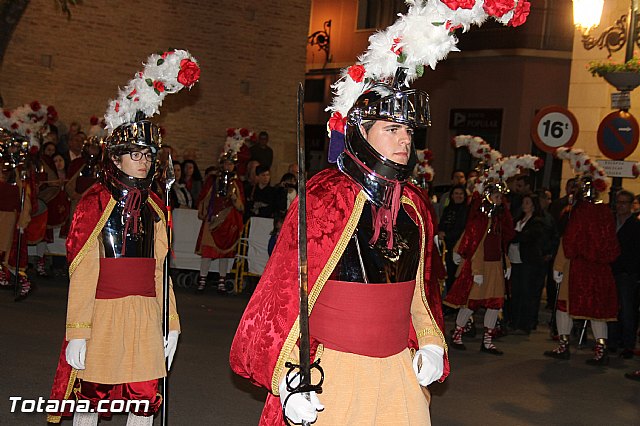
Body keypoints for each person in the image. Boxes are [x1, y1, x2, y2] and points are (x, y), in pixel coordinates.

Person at [230, 69, 448, 425]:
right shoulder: (325, 196)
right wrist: (289, 377)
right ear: (360, 132)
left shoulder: (415, 205)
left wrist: (430, 341)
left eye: (409, 130)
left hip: (397, 371)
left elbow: (421, 290)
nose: (405, 139)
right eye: (392, 129)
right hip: (336, 370)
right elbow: (285, 292)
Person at [47, 48, 199, 425]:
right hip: (104, 312)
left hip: (147, 313)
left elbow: (161, 270)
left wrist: (172, 321)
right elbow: (82, 271)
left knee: (144, 398)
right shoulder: (95, 201)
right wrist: (77, 330)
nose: (144, 161)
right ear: (115, 157)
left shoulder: (154, 206)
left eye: (148, 154)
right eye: (134, 154)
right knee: (93, 398)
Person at [544, 153, 619, 365]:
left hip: (576, 266)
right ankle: (601, 349)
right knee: (597, 311)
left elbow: (569, 240)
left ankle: (564, 345)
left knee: (564, 306)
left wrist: (558, 266)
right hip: (600, 269)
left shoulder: (578, 211)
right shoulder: (605, 212)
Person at [444, 183, 515, 355]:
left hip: (495, 267)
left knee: (495, 304)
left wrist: (506, 263)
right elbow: (475, 247)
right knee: (470, 303)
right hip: (480, 267)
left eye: (501, 197)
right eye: (497, 197)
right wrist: (477, 271)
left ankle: (488, 341)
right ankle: (457, 335)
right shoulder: (480, 220)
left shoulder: (498, 220)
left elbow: (500, 244)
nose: (500, 200)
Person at [195, 155, 244, 293]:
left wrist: (234, 198)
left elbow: (241, 205)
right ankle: (202, 280)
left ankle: (221, 281)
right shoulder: (213, 180)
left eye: (231, 164)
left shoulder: (237, 182)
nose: (228, 167)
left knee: (225, 252)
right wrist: (204, 210)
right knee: (207, 251)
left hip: (228, 220)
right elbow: (204, 196)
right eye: (226, 164)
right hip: (212, 219)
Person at [507, 193, 548, 335]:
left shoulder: (537, 221)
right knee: (516, 291)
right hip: (515, 259)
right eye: (523, 202)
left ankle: (526, 323)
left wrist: (515, 236)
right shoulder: (518, 218)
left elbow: (528, 237)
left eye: (527, 203)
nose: (524, 205)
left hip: (528, 261)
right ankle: (514, 320)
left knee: (526, 292)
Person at [608, 190, 640, 359]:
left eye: (624, 203)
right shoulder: (611, 223)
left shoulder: (635, 226)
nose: (620, 206)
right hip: (612, 270)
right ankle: (612, 341)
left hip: (626, 273)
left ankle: (628, 344)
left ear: (630, 205)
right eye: (618, 202)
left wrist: (631, 271)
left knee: (627, 309)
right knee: (612, 308)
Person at [438, 184, 468, 294]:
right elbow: (442, 224)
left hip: (458, 246)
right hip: (445, 246)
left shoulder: (466, 211)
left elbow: (461, 229)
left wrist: (447, 235)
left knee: (455, 274)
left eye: (461, 194)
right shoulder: (448, 209)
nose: (458, 196)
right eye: (456, 193)